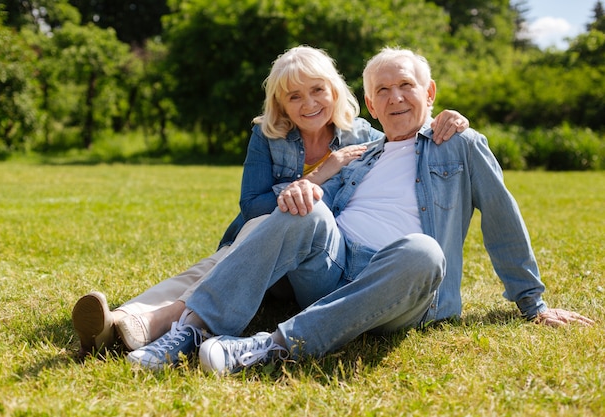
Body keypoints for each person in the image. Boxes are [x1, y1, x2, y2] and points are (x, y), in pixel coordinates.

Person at [126, 46, 594, 374]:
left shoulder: (460, 145)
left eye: (406, 86)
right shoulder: (362, 152)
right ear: (370, 104)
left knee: (424, 251)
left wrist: (533, 304)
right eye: (383, 91)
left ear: (429, 94)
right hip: (331, 270)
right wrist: (304, 189)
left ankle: (270, 347)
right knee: (306, 204)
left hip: (401, 282)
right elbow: (295, 213)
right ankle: (191, 331)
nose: (395, 98)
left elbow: (502, 217)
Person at [71, 45, 469, 356]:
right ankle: (124, 320)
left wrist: (448, 119)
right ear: (280, 104)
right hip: (267, 244)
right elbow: (252, 204)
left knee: (264, 238)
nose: (308, 103)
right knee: (234, 250)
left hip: (319, 257)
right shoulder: (268, 135)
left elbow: (407, 132)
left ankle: (146, 324)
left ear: (335, 91)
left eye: (317, 91)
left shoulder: (363, 137)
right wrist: (316, 176)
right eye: (294, 96)